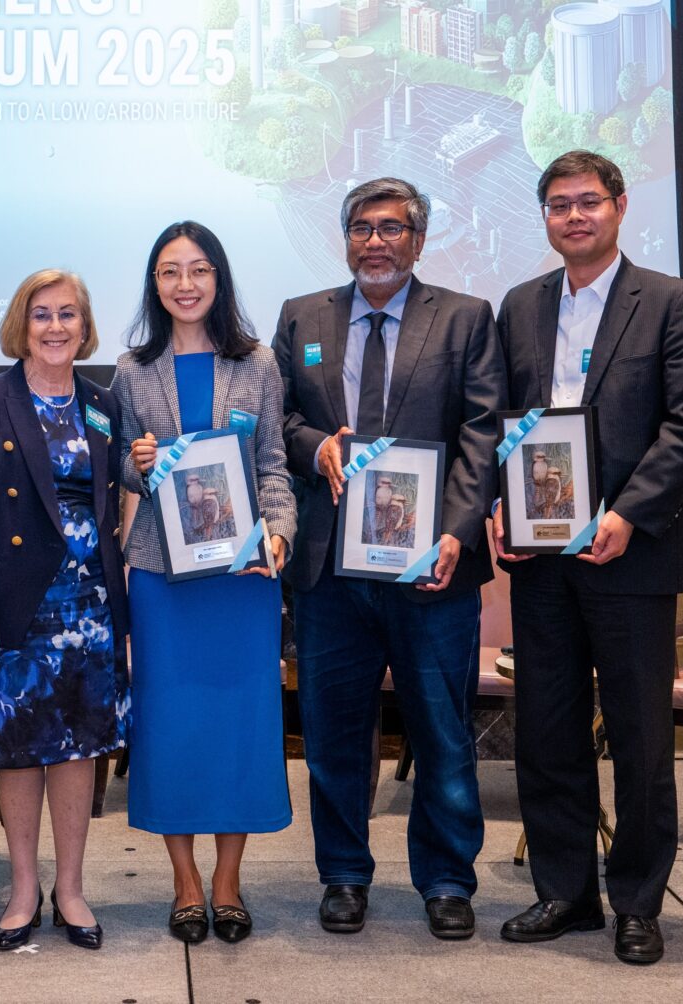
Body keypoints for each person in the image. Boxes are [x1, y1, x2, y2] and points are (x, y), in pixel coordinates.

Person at [491, 150, 683, 965]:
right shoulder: (520, 305)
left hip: (631, 549)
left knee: (640, 735)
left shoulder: (671, 302)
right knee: (548, 729)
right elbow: (500, 421)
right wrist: (498, 506)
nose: (574, 216)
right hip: (543, 554)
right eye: (559, 205)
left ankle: (637, 902)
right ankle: (565, 893)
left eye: (588, 201)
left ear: (620, 206)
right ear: (545, 218)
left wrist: (627, 512)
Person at [270, 177, 505, 940]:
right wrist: (317, 448)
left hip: (431, 565)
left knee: (441, 730)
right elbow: (280, 419)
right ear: (345, 239)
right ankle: (343, 873)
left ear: (419, 239)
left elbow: (482, 434)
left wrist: (458, 531)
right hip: (329, 569)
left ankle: (447, 879)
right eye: (362, 228)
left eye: (392, 228)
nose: (375, 242)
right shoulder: (302, 315)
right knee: (334, 733)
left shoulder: (466, 318)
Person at [115, 221, 296, 945]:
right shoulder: (132, 370)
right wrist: (138, 462)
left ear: (218, 278)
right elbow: (124, 470)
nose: (184, 284)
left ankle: (228, 882)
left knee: (238, 725)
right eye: (169, 272)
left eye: (198, 270)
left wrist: (278, 534)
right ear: (154, 284)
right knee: (172, 724)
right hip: (163, 579)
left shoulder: (258, 362)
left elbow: (273, 465)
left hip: (243, 575)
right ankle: (186, 882)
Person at [0, 269, 129, 951]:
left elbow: (119, 499)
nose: (55, 327)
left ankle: (71, 890)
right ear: (21, 325)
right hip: (13, 608)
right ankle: (24, 890)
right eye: (41, 314)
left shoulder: (103, 404)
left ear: (85, 326)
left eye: (68, 314)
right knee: (17, 751)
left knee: (79, 751)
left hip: (90, 609)